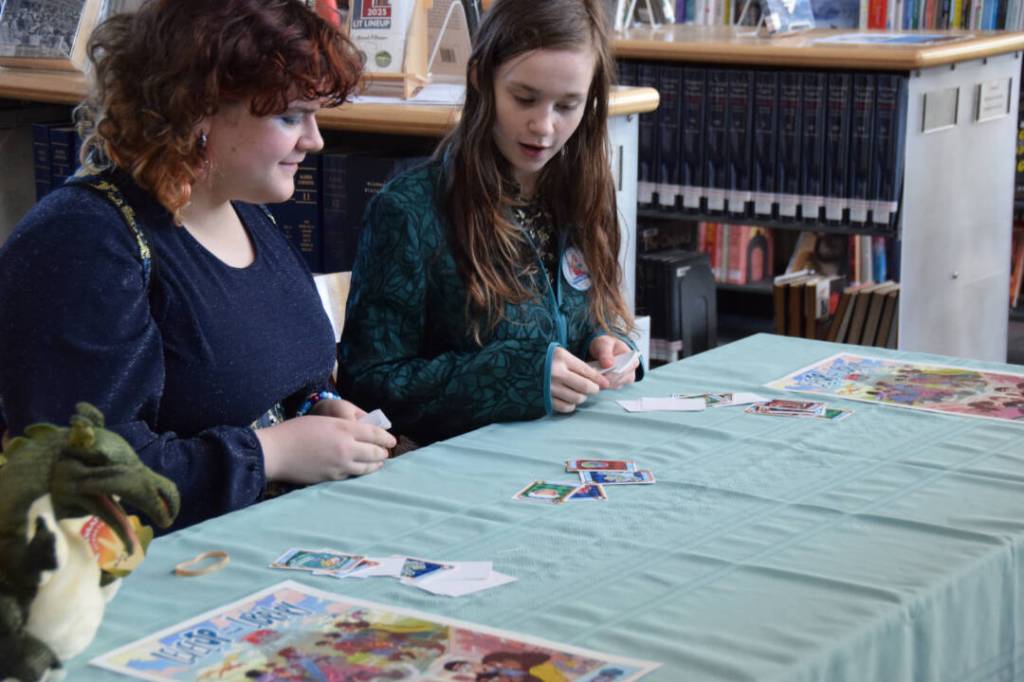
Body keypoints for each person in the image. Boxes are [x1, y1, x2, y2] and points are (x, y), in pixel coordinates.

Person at [0, 0, 395, 531]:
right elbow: (83, 476)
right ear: (198, 109)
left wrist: (318, 407)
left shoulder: (248, 214)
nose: (315, 140)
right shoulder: (84, 241)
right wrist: (270, 454)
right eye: (290, 116)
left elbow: (272, 376)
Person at [339, 0, 641, 445]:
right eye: (525, 98)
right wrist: (513, 377)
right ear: (482, 78)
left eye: (568, 106)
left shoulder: (583, 194)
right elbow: (367, 387)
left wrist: (610, 344)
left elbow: (591, 316)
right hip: (459, 466)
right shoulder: (409, 210)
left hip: (576, 449)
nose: (543, 127)